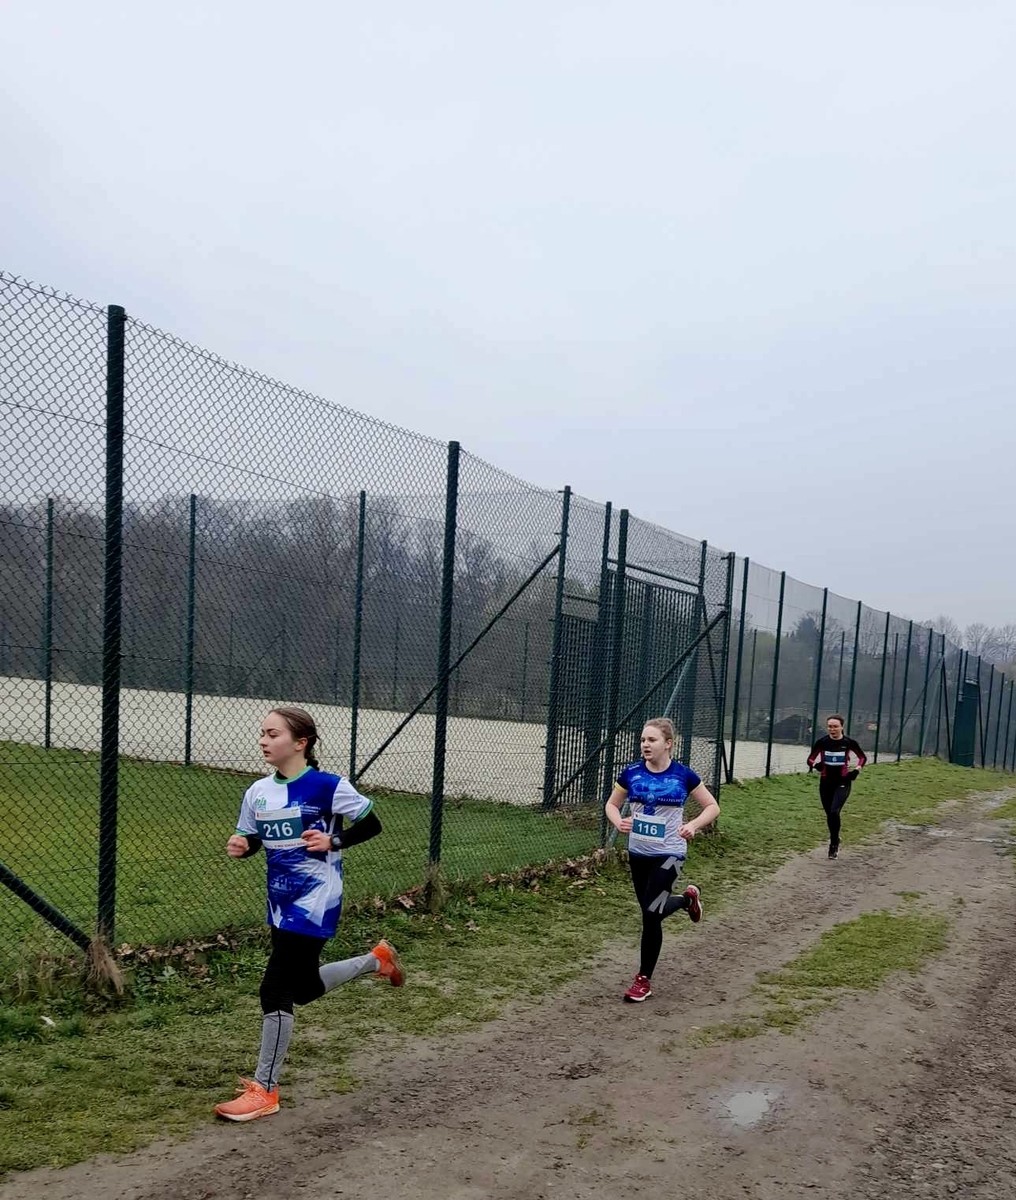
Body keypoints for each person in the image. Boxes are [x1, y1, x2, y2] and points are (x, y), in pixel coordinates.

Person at [214, 706, 404, 1122]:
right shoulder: (258, 791)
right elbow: (254, 836)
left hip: (316, 900)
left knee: (274, 989)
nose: (263, 741)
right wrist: (243, 845)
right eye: (262, 733)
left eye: (273, 734)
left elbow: (372, 825)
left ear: (300, 743)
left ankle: (265, 1090)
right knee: (302, 988)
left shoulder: (328, 786)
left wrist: (333, 841)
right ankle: (376, 960)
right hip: (279, 902)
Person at [604, 717, 720, 1003]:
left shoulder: (684, 775)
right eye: (643, 740)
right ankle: (686, 900)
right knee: (650, 909)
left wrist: (693, 825)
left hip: (670, 853)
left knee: (651, 914)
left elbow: (712, 806)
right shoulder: (631, 773)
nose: (645, 744)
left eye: (652, 740)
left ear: (668, 743)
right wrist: (618, 821)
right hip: (638, 853)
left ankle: (643, 980)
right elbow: (611, 804)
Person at [807, 714, 868, 859]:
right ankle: (836, 837)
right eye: (829, 726)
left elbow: (862, 757)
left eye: (835, 726)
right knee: (830, 814)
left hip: (843, 782)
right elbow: (810, 759)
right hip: (826, 782)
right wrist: (816, 765)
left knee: (834, 811)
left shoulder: (849, 742)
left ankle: (833, 844)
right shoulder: (822, 742)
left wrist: (856, 770)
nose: (832, 729)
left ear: (842, 727)